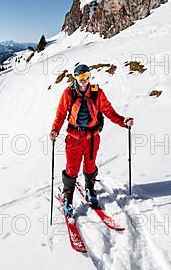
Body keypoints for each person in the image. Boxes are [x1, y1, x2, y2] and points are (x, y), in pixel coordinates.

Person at [49, 63, 134, 216]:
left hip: (92, 137)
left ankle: (90, 188)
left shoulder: (97, 93)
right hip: (74, 137)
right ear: (75, 77)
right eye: (80, 76)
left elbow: (108, 110)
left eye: (86, 76)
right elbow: (61, 113)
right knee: (72, 168)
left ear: (89, 77)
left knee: (90, 165)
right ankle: (67, 197)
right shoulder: (69, 93)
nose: (83, 79)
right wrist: (55, 130)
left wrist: (123, 121)